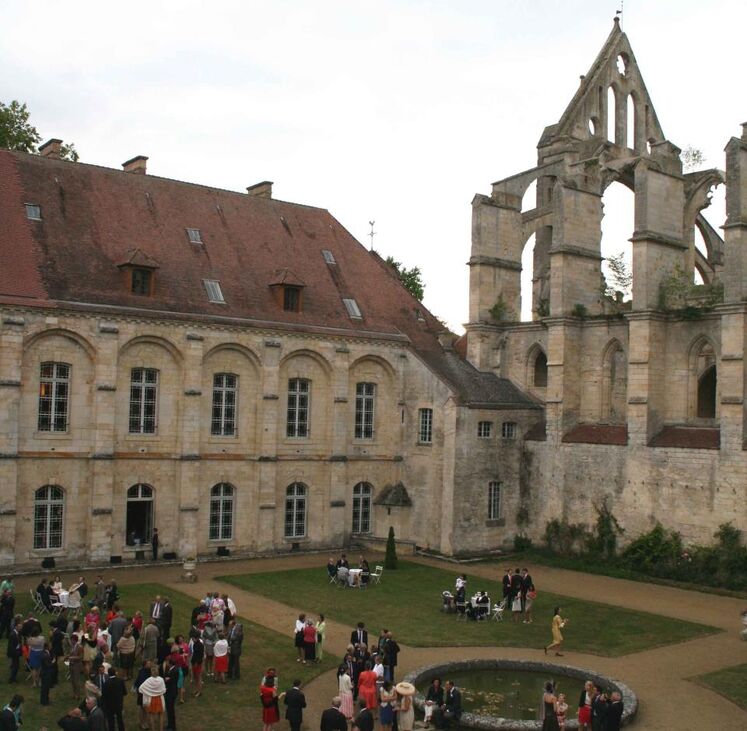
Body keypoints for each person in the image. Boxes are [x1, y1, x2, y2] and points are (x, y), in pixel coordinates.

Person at [139, 664, 166, 731]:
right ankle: (161, 729)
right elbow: (164, 690)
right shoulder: (161, 679)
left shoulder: (148, 680)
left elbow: (141, 688)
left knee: (151, 715)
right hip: (160, 699)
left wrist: (149, 692)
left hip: (151, 700)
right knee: (161, 715)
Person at [101, 667, 127, 731]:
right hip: (118, 704)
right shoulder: (120, 681)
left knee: (111, 721)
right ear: (115, 673)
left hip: (109, 705)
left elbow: (103, 695)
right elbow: (125, 692)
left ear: (108, 674)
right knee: (120, 719)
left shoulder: (106, 683)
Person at [163, 657, 179, 731]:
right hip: (171, 692)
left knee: (170, 710)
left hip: (171, 693)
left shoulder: (174, 670)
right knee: (170, 710)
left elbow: (171, 680)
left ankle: (171, 726)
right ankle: (170, 725)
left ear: (170, 663)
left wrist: (167, 680)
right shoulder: (173, 669)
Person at [39, 641, 54, 705]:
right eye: (50, 645)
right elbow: (47, 665)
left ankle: (46, 699)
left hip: (45, 673)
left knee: (46, 688)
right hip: (46, 673)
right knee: (45, 688)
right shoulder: (45, 655)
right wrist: (53, 662)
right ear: (47, 647)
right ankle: (44, 701)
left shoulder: (45, 653)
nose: (51, 646)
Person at [190, 630, 204, 697]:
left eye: (193, 638)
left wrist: (196, 663)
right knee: (195, 677)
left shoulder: (200, 645)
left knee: (198, 677)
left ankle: (199, 691)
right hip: (194, 662)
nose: (192, 639)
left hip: (197, 663)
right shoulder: (195, 644)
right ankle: (196, 689)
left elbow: (200, 655)